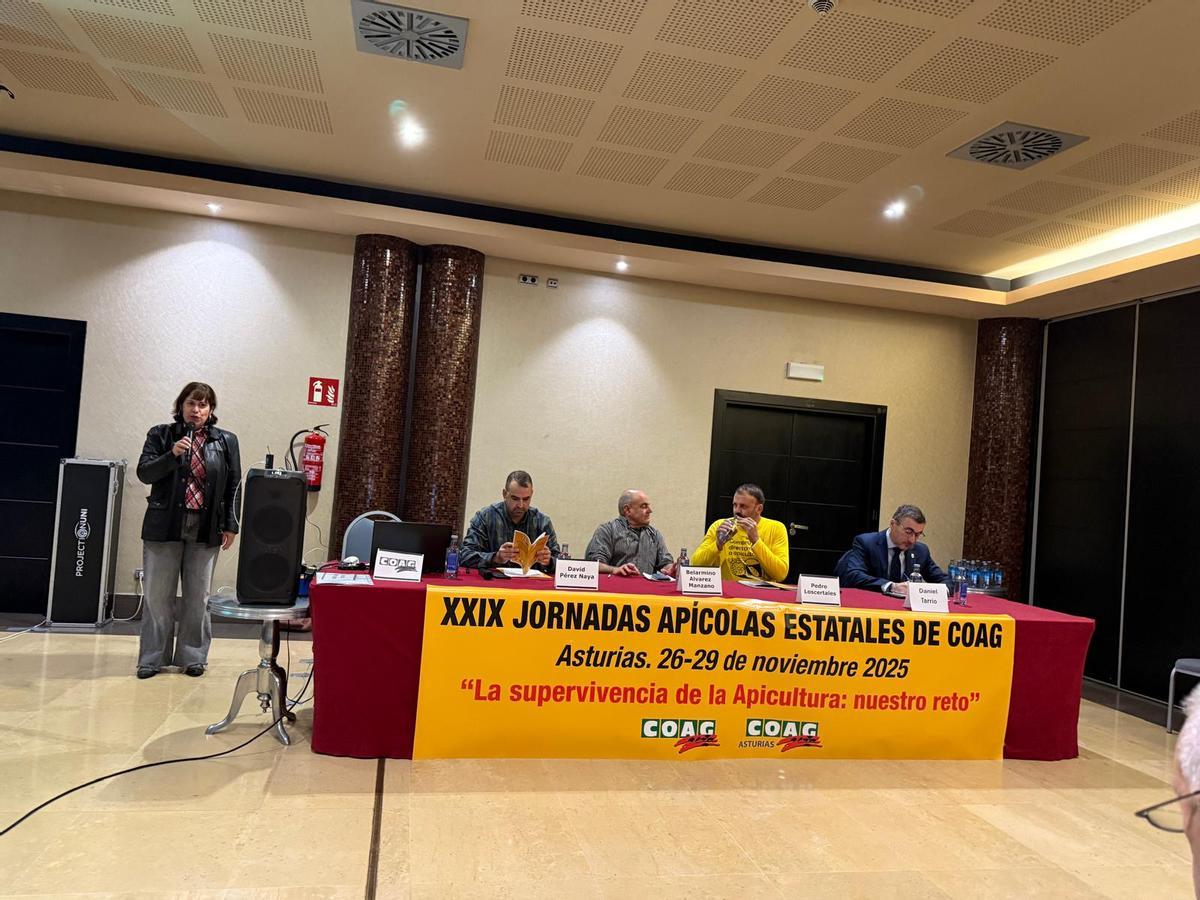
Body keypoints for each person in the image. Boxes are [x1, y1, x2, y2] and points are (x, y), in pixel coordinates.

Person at [135, 382, 241, 678]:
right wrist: (171, 455)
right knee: (158, 596)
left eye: (203, 405)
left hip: (206, 527)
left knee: (198, 597)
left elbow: (234, 485)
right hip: (164, 525)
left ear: (211, 411)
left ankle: (193, 656)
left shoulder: (226, 441)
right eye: (191, 404)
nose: (196, 410)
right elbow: (145, 473)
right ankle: (152, 659)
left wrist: (231, 524)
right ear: (181, 406)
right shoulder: (161, 434)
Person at [834, 503, 947, 595]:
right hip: (872, 608)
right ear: (893, 524)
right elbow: (854, 575)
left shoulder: (921, 551)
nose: (912, 540)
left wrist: (939, 591)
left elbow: (944, 580)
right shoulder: (866, 543)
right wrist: (891, 586)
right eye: (908, 532)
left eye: (918, 534)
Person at [459, 470, 560, 571]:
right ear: (504, 494)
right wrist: (496, 557)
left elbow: (562, 562)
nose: (520, 505)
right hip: (494, 583)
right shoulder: (485, 518)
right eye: (515, 498)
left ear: (532, 494)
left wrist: (549, 561)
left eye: (526, 499)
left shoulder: (542, 522)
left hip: (531, 583)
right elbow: (464, 556)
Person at [692, 483, 788, 582]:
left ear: (759, 509)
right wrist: (718, 544)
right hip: (728, 592)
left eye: (743, 506)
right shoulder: (720, 526)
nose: (737, 511)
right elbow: (695, 565)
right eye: (735, 505)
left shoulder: (776, 528)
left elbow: (780, 574)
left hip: (761, 593)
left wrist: (756, 541)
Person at [585, 489, 676, 576]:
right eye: (644, 506)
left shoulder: (655, 535)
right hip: (616, 589)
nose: (650, 510)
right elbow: (594, 565)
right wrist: (615, 570)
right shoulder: (607, 531)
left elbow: (665, 563)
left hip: (645, 590)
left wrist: (672, 568)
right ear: (627, 510)